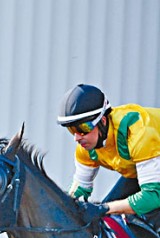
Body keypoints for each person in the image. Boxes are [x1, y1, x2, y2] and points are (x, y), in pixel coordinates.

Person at [57, 84, 160, 220]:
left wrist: (104, 209)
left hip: (153, 175)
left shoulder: (137, 132)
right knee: (106, 218)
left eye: (82, 128)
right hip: (142, 171)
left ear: (103, 121)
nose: (77, 137)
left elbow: (152, 196)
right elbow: (79, 190)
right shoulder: (85, 148)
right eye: (71, 130)